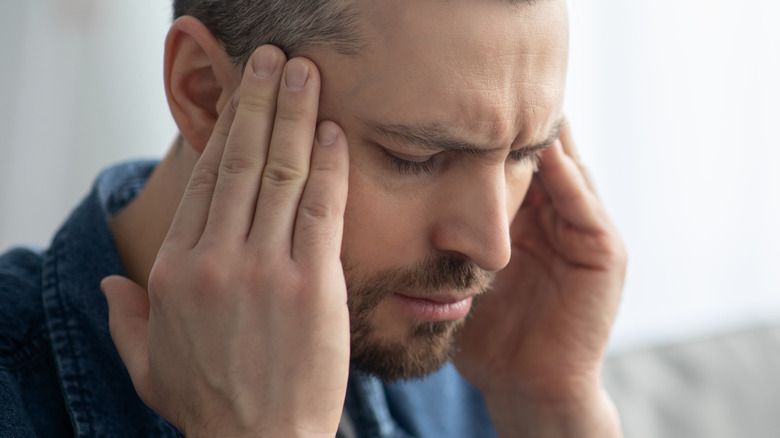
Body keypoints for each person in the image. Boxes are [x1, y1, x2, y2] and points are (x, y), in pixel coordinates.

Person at [0, 0, 627, 436]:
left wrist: (553, 411)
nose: (494, 249)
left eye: (525, 153)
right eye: (418, 156)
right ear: (205, 93)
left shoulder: (471, 368)